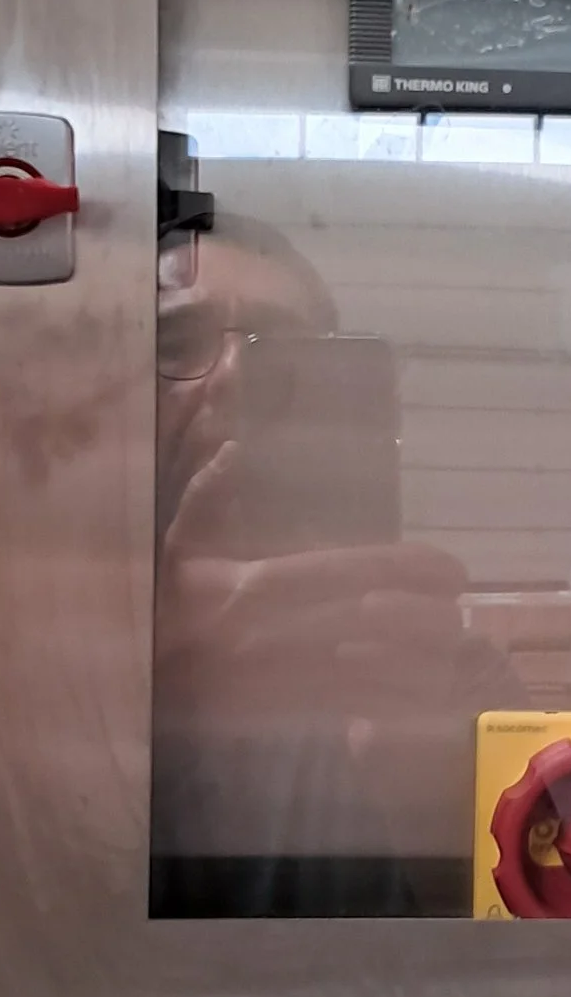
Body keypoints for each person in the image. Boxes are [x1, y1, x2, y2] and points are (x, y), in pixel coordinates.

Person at [152, 206, 484, 912]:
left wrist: (431, 798)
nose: (235, 375)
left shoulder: (438, 669)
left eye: (281, 349)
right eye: (177, 341)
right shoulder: (35, 681)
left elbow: (530, 975)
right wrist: (164, 690)